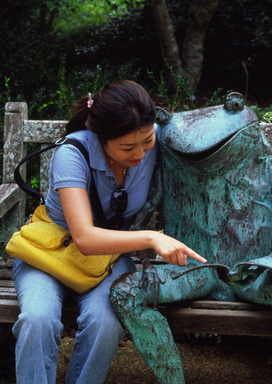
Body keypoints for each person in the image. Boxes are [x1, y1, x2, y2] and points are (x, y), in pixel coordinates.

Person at [11, 80, 206, 384]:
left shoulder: (152, 138)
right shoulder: (73, 152)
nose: (140, 154)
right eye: (127, 147)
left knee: (105, 323)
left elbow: (207, 137)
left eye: (147, 143)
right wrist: (153, 237)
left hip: (111, 259)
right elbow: (85, 238)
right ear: (101, 137)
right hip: (50, 253)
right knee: (37, 320)